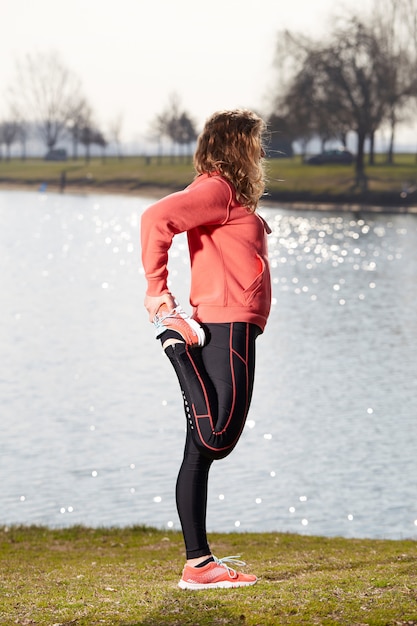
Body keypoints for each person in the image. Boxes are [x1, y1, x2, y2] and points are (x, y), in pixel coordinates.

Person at [140, 109, 272, 590]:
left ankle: (198, 565)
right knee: (218, 437)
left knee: (199, 449)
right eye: (255, 142)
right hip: (226, 322)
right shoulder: (216, 188)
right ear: (237, 145)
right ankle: (177, 347)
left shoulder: (225, 193)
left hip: (230, 321)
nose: (260, 151)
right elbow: (156, 218)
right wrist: (159, 293)